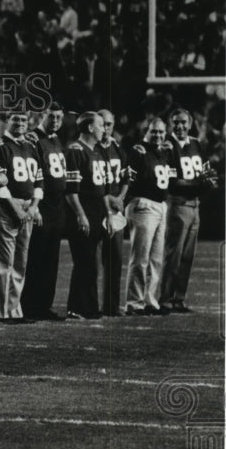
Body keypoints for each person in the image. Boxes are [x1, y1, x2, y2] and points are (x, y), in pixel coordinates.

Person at [0, 110, 43, 323]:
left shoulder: (30, 146)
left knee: (20, 262)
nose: (20, 123)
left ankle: (13, 310)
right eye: (16, 119)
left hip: (28, 207)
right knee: (4, 262)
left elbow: (39, 180)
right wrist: (16, 209)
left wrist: (33, 207)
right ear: (7, 121)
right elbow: (0, 182)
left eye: (24, 120)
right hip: (7, 206)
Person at [159, 107, 216, 313]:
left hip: (195, 205)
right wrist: (198, 182)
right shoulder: (168, 146)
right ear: (170, 125)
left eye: (183, 122)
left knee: (187, 257)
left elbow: (207, 172)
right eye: (176, 122)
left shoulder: (196, 144)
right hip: (178, 204)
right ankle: (165, 298)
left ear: (190, 124)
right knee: (173, 255)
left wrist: (207, 181)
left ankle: (178, 299)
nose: (180, 126)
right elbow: (173, 182)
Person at [22, 104, 69, 321]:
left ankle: (44, 305)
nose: (56, 120)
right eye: (52, 116)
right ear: (42, 116)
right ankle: (30, 305)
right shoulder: (33, 139)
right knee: (36, 258)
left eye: (60, 116)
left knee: (51, 259)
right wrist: (36, 205)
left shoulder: (56, 139)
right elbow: (33, 174)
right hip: (43, 205)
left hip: (57, 207)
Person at [124, 118, 173, 316]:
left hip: (160, 206)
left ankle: (150, 301)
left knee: (156, 259)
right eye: (154, 132)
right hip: (143, 204)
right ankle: (134, 303)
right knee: (140, 258)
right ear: (147, 131)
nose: (158, 136)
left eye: (161, 132)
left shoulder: (162, 152)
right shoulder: (139, 150)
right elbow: (128, 178)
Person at [64, 111, 110, 320]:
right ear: (90, 127)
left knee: (92, 262)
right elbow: (71, 191)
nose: (104, 129)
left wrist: (107, 213)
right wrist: (81, 215)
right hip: (83, 209)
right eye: (101, 125)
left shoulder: (97, 151)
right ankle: (76, 307)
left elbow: (102, 189)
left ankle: (90, 306)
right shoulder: (76, 151)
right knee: (84, 261)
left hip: (97, 210)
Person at [98, 109, 128, 316]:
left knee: (115, 259)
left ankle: (111, 306)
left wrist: (121, 197)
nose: (106, 128)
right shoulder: (89, 147)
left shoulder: (118, 147)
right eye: (103, 124)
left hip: (115, 208)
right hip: (96, 208)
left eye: (109, 124)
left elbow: (126, 177)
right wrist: (109, 199)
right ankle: (88, 304)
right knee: (91, 260)